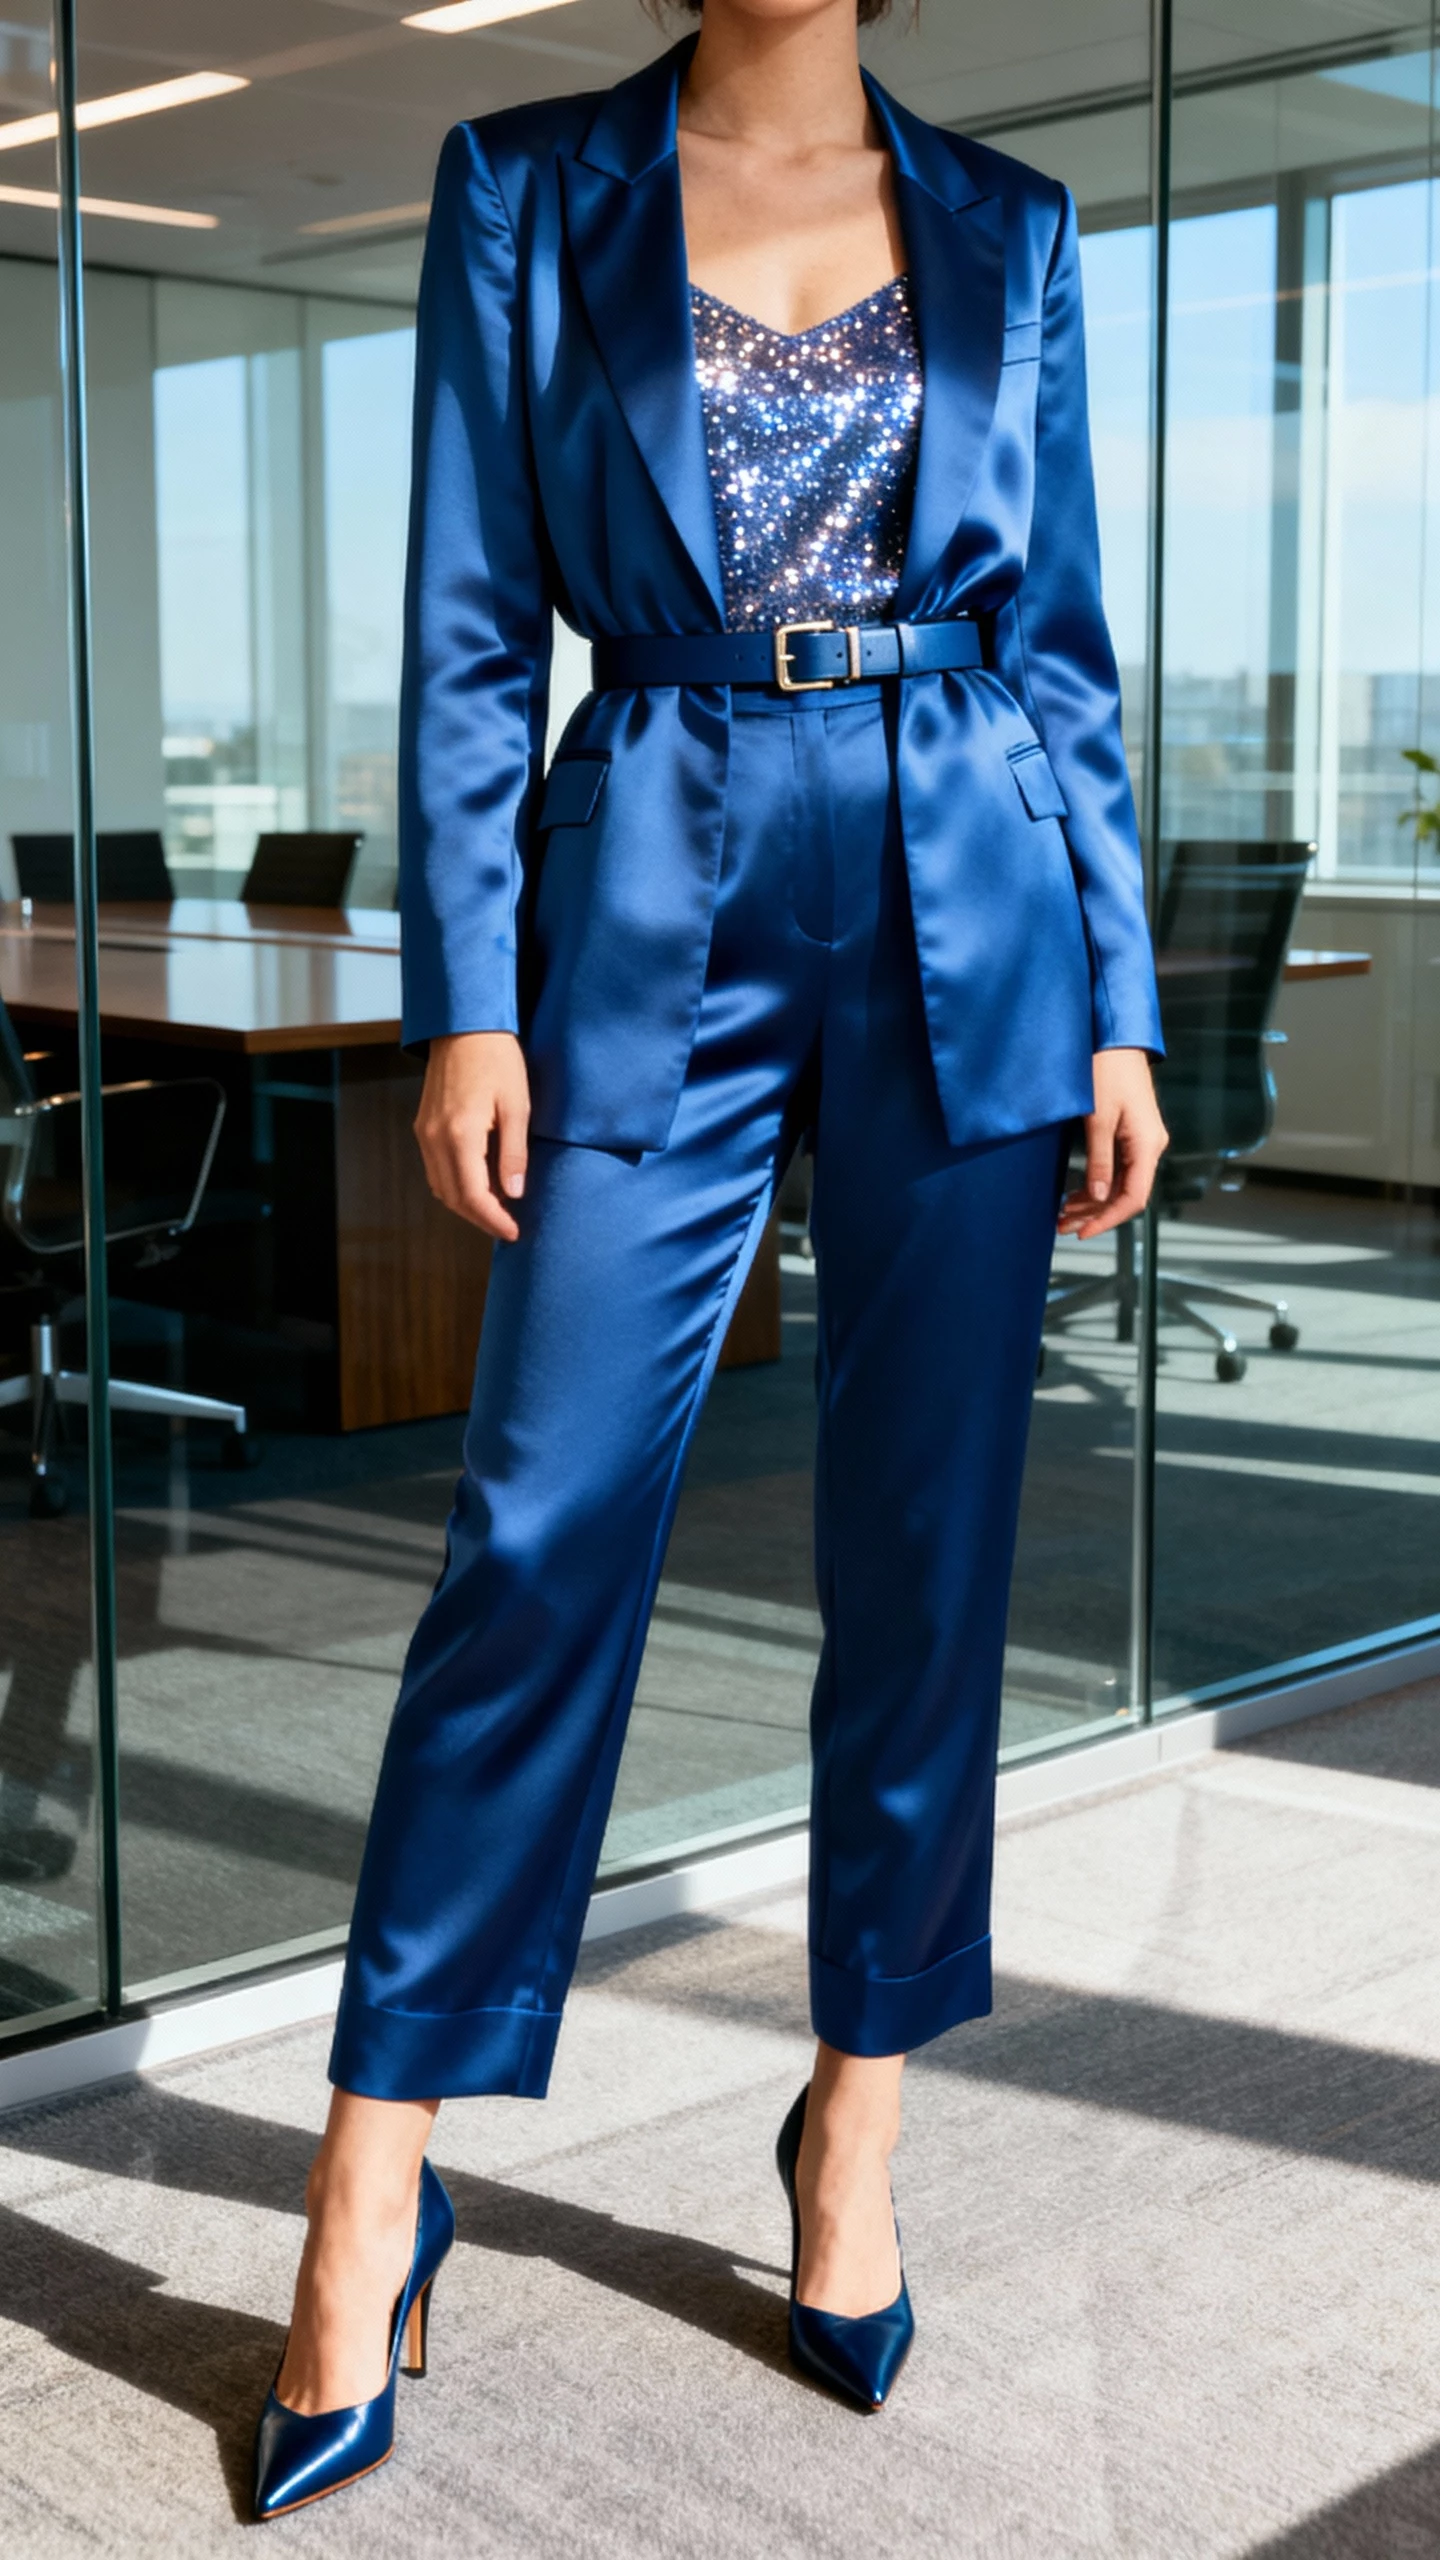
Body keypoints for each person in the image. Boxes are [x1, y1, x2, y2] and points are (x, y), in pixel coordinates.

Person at [252, 0, 1167, 2516]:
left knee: (926, 1549)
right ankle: (373, 2164)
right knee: (537, 1534)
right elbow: (463, 619)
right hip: (648, 869)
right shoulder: (525, 184)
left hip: (970, 890)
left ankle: (853, 2115)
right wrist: (464, 989)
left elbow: (1067, 641)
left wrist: (1118, 1002)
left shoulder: (1016, 227)